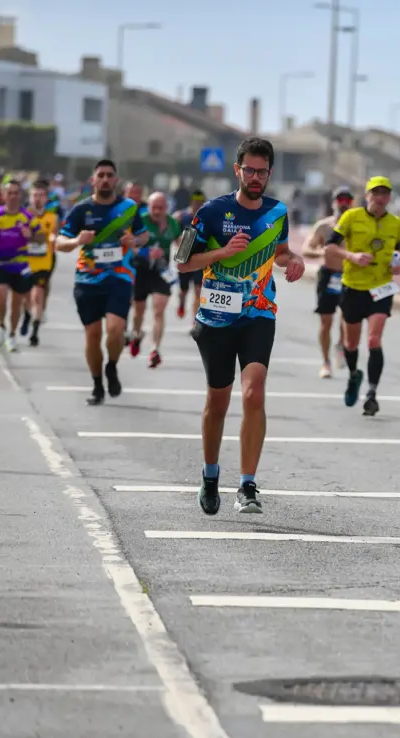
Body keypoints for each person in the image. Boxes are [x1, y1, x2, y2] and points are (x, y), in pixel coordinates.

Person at [176, 136, 305, 515]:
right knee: (218, 402)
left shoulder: (278, 212)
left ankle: (248, 485)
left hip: (258, 314)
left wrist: (293, 258)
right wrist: (222, 252)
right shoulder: (210, 213)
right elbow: (182, 262)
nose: (255, 177)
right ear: (237, 170)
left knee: (254, 393)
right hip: (215, 318)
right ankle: (211, 475)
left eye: (261, 171)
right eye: (249, 169)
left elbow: (279, 252)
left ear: (269, 174)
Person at [55, 159, 149, 406]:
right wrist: (77, 241)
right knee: (93, 335)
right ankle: (97, 384)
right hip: (87, 280)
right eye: (101, 175)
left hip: (119, 276)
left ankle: (112, 366)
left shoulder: (129, 208)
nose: (105, 179)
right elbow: (58, 243)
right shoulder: (81, 210)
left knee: (116, 328)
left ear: (116, 180)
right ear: (93, 180)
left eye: (110, 175)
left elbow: (144, 235)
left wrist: (135, 242)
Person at [324, 175, 400, 415]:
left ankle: (371, 393)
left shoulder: (395, 222)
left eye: (385, 194)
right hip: (353, 286)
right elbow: (330, 246)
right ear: (367, 196)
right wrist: (351, 256)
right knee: (351, 343)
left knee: (373, 340)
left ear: (389, 197)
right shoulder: (351, 217)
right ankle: (353, 375)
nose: (380, 198)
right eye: (376, 193)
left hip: (381, 288)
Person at [302, 185, 353, 378]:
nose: (344, 204)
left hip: (349, 276)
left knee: (347, 319)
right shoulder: (324, 226)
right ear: (333, 203)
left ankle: (340, 346)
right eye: (340, 200)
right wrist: (320, 252)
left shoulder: (357, 225)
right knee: (326, 320)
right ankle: (325, 362)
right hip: (329, 275)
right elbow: (307, 248)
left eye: (347, 200)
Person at [129, 191, 181, 368]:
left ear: (166, 208)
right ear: (148, 207)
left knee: (159, 309)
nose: (157, 211)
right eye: (154, 207)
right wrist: (146, 252)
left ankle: (155, 350)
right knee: (139, 312)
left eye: (160, 208)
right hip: (141, 269)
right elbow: (128, 244)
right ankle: (136, 334)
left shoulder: (173, 223)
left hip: (161, 271)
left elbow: (180, 244)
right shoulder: (140, 220)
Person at [0, 177, 34, 352]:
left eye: (16, 193)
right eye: (9, 193)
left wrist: (31, 235)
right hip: (0, 263)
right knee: (1, 297)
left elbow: (40, 236)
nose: (12, 196)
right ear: (3, 195)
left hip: (19, 265)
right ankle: (1, 327)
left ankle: (12, 335)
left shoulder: (26, 216)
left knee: (16, 303)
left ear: (20, 196)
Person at [22, 179, 59, 346]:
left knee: (38, 294)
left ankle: (35, 331)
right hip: (25, 262)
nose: (38, 199)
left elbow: (55, 235)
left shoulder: (52, 217)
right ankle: (26, 315)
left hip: (44, 261)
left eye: (41, 196)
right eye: (35, 195)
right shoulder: (23, 216)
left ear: (46, 198)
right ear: (30, 197)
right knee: (26, 296)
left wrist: (53, 238)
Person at [173, 190, 206, 320]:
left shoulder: (205, 217)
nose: (197, 204)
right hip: (184, 255)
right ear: (191, 201)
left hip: (199, 257)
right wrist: (180, 243)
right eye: (195, 202)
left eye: (200, 202)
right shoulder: (181, 216)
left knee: (198, 291)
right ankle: (181, 303)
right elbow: (175, 235)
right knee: (183, 290)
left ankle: (195, 321)